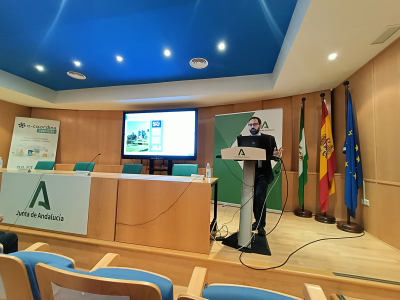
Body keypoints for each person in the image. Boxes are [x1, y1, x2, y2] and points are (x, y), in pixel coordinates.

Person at [248, 117, 282, 236]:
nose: (252, 127)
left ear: (260, 126)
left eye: (255, 124)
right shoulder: (244, 140)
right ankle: (256, 221)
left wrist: (276, 155)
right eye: (250, 125)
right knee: (252, 199)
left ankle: (261, 225)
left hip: (263, 173)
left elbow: (275, 157)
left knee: (260, 197)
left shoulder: (269, 139)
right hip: (250, 173)